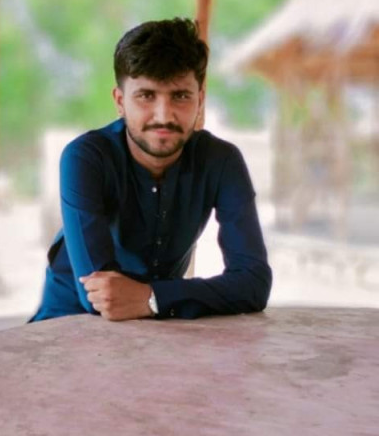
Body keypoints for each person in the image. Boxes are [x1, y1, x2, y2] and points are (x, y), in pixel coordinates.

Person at [30, 18, 272, 323]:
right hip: (64, 327)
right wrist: (172, 298)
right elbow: (99, 297)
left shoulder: (221, 161)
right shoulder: (86, 158)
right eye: (146, 96)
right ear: (120, 102)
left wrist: (153, 297)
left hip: (157, 325)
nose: (163, 115)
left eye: (180, 96)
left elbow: (254, 283)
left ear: (200, 100)